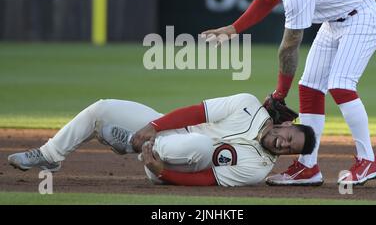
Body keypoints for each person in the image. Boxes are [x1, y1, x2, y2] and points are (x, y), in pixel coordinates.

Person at [202, 0, 376, 186]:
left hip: (364, 18)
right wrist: (234, 29)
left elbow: (289, 46)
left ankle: (368, 160)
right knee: (310, 87)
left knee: (341, 85)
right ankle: (307, 166)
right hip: (337, 20)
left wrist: (279, 93)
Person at [8, 93, 316, 186]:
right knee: (102, 109)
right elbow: (196, 111)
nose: (284, 144)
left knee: (202, 146)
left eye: (290, 149)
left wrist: (161, 172)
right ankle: (51, 154)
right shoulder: (248, 103)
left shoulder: (258, 168)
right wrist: (154, 125)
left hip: (169, 167)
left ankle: (133, 143)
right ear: (287, 124)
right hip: (163, 136)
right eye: (289, 137)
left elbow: (208, 179)